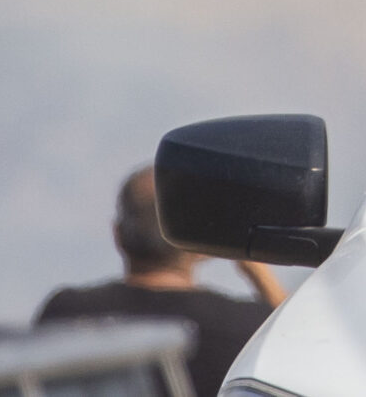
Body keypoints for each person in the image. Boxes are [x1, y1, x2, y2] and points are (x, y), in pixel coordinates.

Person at [36, 167, 284, 397]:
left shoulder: (64, 315)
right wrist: (254, 266)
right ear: (201, 246)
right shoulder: (248, 328)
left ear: (118, 236)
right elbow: (307, 346)